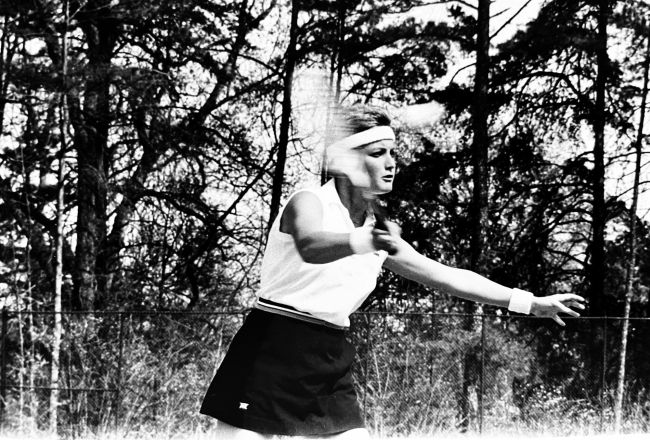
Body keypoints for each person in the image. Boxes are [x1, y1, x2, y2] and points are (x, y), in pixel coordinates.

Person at [199, 105, 585, 439]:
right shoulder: (308, 202)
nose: (390, 163)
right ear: (346, 161)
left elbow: (447, 275)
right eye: (378, 153)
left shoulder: (375, 227)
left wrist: (530, 303)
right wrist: (365, 241)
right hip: (271, 347)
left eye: (392, 153)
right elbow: (311, 244)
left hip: (329, 358)